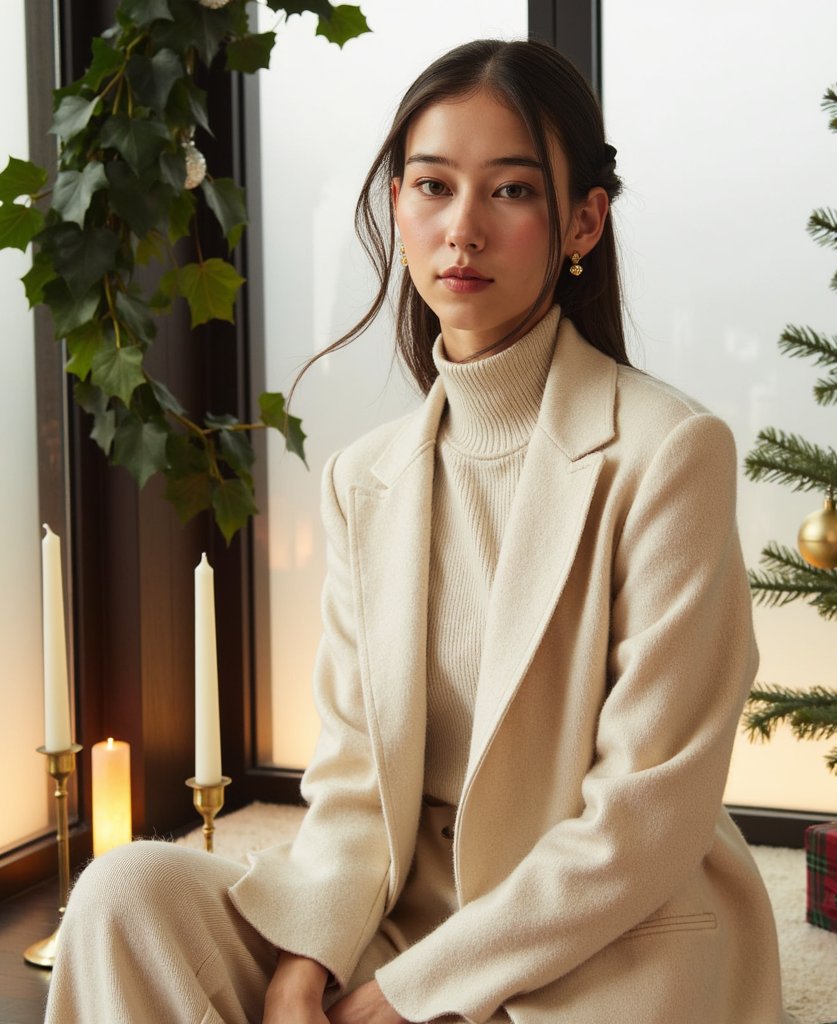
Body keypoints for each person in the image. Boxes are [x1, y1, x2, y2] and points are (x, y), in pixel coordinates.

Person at [46, 38, 788, 1024]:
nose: (461, 230)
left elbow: (644, 817)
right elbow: (355, 780)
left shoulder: (669, 452)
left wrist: (402, 995)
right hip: (406, 905)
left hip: (598, 930)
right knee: (124, 896)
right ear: (397, 206)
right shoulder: (370, 477)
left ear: (582, 221)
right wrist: (306, 964)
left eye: (511, 192)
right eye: (432, 186)